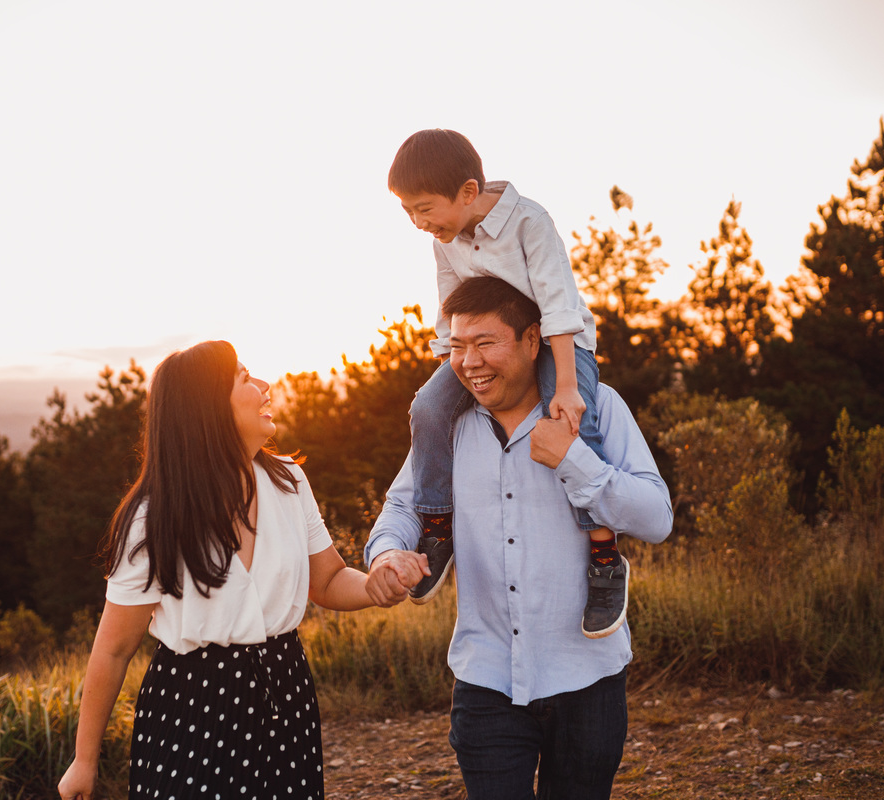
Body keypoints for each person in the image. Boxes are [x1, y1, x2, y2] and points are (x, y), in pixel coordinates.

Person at [57, 341, 429, 800]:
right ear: (208, 409)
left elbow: (329, 580)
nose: (265, 386)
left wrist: (374, 586)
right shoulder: (154, 519)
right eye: (245, 378)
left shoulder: (289, 482)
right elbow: (113, 650)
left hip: (285, 692)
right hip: (190, 709)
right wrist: (84, 760)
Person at [364, 277, 673, 799]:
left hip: (588, 677)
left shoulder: (597, 410)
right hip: (485, 679)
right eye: (458, 347)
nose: (469, 362)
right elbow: (403, 505)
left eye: (486, 343)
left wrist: (575, 461)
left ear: (534, 340)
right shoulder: (447, 427)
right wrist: (389, 550)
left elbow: (657, 517)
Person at [388, 129, 626, 638]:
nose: (418, 222)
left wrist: (565, 386)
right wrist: (444, 370)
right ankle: (437, 525)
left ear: (468, 193)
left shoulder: (528, 221)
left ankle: (604, 554)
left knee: (572, 422)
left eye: (425, 208)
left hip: (560, 340)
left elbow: (559, 305)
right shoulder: (444, 240)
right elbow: (449, 307)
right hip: (489, 346)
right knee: (427, 407)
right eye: (408, 211)